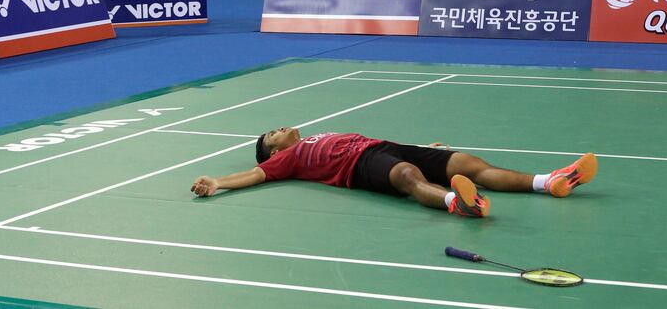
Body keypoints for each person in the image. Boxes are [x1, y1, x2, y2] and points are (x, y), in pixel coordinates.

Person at [190, 128, 599, 220]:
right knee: (406, 176)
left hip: (380, 147)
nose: (280, 129)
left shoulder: (317, 134)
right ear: (273, 150)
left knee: (469, 164)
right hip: (360, 168)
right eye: (273, 134)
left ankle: (549, 182)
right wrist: (218, 182)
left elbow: (369, 140)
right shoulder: (287, 158)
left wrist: (425, 146)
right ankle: (456, 202)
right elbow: (254, 175)